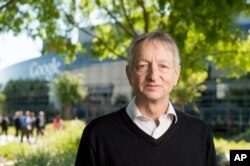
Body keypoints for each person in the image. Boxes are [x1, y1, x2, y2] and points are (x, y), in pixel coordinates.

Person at [75, 32, 217, 166]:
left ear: (176, 75)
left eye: (163, 66)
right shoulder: (97, 134)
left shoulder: (200, 134)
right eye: (143, 66)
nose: (153, 76)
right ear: (129, 74)